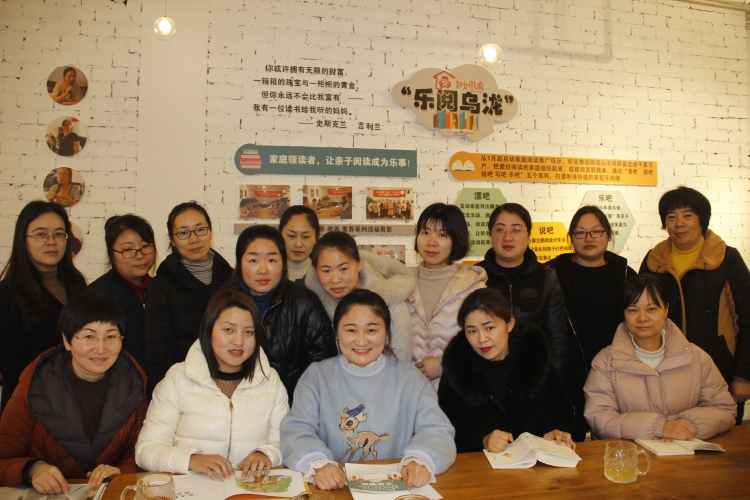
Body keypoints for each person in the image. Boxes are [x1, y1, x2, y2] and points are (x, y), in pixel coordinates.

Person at [281, 290, 456, 491]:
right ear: (336, 332)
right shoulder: (316, 377)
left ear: (386, 332)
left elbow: (437, 429)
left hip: (399, 486)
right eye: (351, 330)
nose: (361, 341)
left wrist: (421, 459)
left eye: (371, 330)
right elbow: (296, 430)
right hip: (336, 488)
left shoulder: (411, 378)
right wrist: (318, 464)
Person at [0, 294, 148, 495]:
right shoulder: (36, 385)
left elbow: (139, 451)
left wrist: (120, 471)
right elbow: (4, 457)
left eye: (111, 336)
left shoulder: (133, 382)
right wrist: (32, 469)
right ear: (67, 340)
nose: (101, 348)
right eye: (89, 337)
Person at [136, 290, 288, 479]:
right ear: (208, 330)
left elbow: (287, 441)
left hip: (250, 487)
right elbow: (146, 450)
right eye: (228, 330)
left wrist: (266, 454)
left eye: (249, 332)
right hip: (193, 487)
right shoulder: (178, 379)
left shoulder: (270, 381)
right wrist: (190, 460)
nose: (239, 341)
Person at [640, 186, 750, 424]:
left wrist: (743, 376)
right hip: (663, 373)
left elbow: (747, 319)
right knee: (669, 437)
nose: (679, 223)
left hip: (718, 372)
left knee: (721, 439)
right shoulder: (653, 261)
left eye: (687, 215)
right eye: (671, 217)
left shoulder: (727, 259)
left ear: (702, 219)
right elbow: (638, 315)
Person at [584, 275, 737, 440]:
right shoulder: (605, 362)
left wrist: (685, 427)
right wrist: (659, 427)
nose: (642, 318)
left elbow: (724, 408)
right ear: (624, 313)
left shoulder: (696, 357)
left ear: (666, 310)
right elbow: (599, 418)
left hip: (687, 451)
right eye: (633, 310)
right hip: (631, 454)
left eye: (651, 309)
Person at [438, 288, 575, 453]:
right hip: (481, 465)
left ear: (509, 324)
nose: (482, 339)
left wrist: (557, 431)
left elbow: (561, 413)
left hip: (536, 462)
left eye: (489, 328)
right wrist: (482, 440)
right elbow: (445, 433)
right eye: (472, 331)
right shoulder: (457, 371)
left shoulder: (535, 359)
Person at [547, 206, 636, 440]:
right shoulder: (553, 274)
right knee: (568, 444)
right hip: (568, 375)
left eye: (596, 231)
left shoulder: (626, 274)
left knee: (615, 444)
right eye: (580, 233)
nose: (589, 238)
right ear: (571, 237)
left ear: (608, 234)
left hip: (614, 374)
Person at [225, 225, 336, 399]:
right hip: (233, 404)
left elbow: (323, 365)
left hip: (291, 406)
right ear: (239, 263)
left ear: (283, 263)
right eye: (253, 261)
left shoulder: (305, 303)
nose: (263, 270)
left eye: (272, 260)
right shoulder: (222, 302)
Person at [0, 201, 87, 414]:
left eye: (59, 234)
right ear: (23, 240)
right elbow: (13, 364)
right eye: (41, 234)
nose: (51, 241)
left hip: (76, 399)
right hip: (29, 404)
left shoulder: (76, 284)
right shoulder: (7, 293)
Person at [146, 201, 233, 394]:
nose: (193, 239)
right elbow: (157, 349)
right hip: (182, 387)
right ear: (172, 240)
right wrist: (163, 393)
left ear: (210, 232)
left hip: (228, 382)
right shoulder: (161, 285)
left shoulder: (231, 279)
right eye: (183, 233)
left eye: (200, 230)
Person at [478, 203, 567, 373]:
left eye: (516, 230)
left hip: (534, 373)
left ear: (528, 235)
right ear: (491, 234)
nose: (508, 237)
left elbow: (557, 337)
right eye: (500, 230)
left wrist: (548, 379)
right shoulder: (475, 276)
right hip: (486, 373)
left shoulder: (546, 277)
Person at [408, 203, 487, 390]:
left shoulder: (474, 287)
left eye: (442, 235)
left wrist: (445, 365)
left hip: (457, 391)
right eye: (425, 232)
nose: (431, 242)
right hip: (410, 393)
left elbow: (486, 342)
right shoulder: (401, 282)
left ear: (456, 240)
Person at [305, 231, 416, 363]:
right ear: (316, 270)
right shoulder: (312, 305)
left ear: (359, 264)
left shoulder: (390, 301)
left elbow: (400, 361)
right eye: (326, 271)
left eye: (343, 269)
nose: (335, 279)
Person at [85, 215, 157, 371]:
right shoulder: (95, 297)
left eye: (145, 246)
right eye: (127, 250)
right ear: (111, 253)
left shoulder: (161, 289)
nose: (139, 255)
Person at [279, 205, 320, 283]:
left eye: (305, 237)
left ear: (316, 237)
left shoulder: (324, 276)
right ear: (280, 235)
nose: (298, 244)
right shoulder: (268, 274)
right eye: (291, 236)